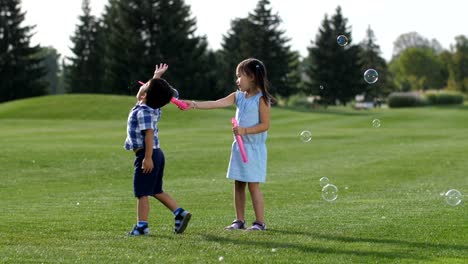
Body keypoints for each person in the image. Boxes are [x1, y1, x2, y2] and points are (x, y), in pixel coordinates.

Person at [183, 58, 274, 231]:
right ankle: (239, 221)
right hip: (239, 147)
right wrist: (193, 104)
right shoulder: (238, 96)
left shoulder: (261, 99)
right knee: (238, 184)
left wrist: (245, 131)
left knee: (253, 185)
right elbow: (217, 103)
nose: (237, 80)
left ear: (252, 77)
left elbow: (265, 125)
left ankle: (259, 222)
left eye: (240, 76)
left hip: (254, 149)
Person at [124, 64, 191, 235]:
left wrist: (147, 158)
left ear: (146, 94)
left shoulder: (143, 111)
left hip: (148, 154)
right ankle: (179, 213)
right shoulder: (152, 106)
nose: (142, 86)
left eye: (145, 86)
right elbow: (143, 94)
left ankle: (142, 227)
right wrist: (156, 77)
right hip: (157, 153)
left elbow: (149, 134)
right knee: (155, 190)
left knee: (142, 193)